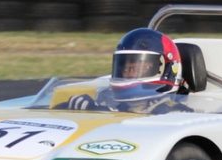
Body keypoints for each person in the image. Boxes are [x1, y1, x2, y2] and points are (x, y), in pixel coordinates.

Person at [59, 28, 189, 113]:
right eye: (125, 66)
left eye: (141, 66)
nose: (130, 72)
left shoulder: (175, 113)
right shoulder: (110, 101)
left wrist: (104, 114)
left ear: (167, 69)